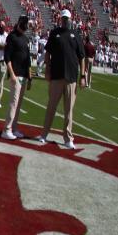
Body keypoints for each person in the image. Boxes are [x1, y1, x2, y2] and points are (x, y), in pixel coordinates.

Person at [35, 9, 85, 150]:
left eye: (66, 19)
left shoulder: (76, 35)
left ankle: (68, 138)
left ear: (70, 19)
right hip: (56, 76)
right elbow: (48, 53)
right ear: (60, 19)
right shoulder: (54, 33)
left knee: (69, 110)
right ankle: (44, 134)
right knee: (51, 107)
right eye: (63, 18)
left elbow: (82, 57)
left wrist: (82, 76)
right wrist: (47, 70)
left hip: (71, 78)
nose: (64, 21)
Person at [2, 15, 32, 140]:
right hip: (16, 74)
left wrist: (30, 77)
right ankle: (7, 129)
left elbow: (28, 59)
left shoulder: (25, 38)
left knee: (18, 104)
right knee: (13, 103)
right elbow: (7, 57)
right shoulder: (12, 37)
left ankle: (14, 128)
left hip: (24, 75)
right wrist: (12, 74)